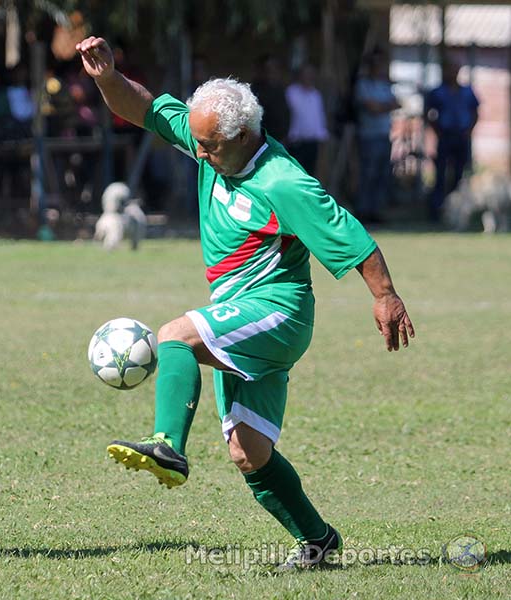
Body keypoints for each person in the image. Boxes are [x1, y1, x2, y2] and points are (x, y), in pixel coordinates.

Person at [76, 37, 415, 570]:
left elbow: (350, 235)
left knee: (174, 336)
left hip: (277, 311)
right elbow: (139, 106)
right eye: (198, 143)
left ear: (240, 135)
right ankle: (320, 542)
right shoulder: (209, 137)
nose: (201, 154)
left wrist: (386, 296)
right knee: (248, 453)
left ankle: (167, 443)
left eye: (209, 146)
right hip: (241, 316)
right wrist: (106, 77)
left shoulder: (283, 181)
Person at [424, 61, 479, 222]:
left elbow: (476, 111)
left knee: (460, 176)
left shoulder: (467, 91)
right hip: (445, 136)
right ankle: (437, 212)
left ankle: (459, 212)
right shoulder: (438, 92)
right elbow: (428, 113)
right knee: (440, 175)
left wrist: (469, 130)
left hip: (462, 136)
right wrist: (437, 131)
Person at [353, 52, 400, 224]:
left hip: (383, 134)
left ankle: (375, 210)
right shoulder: (363, 85)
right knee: (368, 174)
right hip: (368, 135)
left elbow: (396, 103)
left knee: (381, 175)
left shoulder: (383, 85)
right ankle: (362, 210)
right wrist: (386, 106)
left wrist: (382, 106)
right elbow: (372, 108)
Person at [285, 63, 328, 177]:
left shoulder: (315, 94)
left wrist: (322, 135)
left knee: (309, 175)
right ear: (300, 75)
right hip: (295, 142)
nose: (309, 77)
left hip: (312, 142)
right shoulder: (291, 92)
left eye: (311, 74)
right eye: (306, 74)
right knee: (295, 174)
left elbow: (318, 116)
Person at [251, 54, 290, 143]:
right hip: (262, 141)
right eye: (269, 69)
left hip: (279, 141)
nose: (273, 72)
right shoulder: (253, 92)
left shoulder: (279, 90)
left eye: (275, 69)